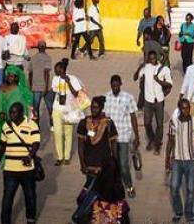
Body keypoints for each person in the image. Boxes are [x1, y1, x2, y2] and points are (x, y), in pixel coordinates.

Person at [77, 96, 129, 224]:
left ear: (101, 108)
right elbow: (80, 145)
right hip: (90, 167)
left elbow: (113, 145)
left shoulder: (108, 123)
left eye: (96, 107)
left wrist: (115, 164)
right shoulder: (84, 123)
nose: (93, 110)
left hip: (105, 168)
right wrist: (82, 163)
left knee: (104, 195)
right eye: (92, 107)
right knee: (89, 195)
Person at [0, 102, 39, 224]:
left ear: (21, 113)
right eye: (11, 112)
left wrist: (30, 156)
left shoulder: (31, 125)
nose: (12, 115)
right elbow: (2, 145)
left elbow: (36, 143)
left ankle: (30, 219)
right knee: (7, 198)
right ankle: (5, 221)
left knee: (30, 196)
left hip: (27, 170)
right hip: (10, 170)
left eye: (15, 112)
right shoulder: (6, 126)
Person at [166, 98, 194, 224]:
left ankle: (189, 214)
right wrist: (167, 158)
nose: (186, 110)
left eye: (187, 108)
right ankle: (178, 212)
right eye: (183, 108)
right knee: (173, 187)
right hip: (177, 160)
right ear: (179, 109)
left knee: (191, 189)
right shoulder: (173, 122)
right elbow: (171, 141)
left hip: (191, 161)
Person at [104, 75, 140, 198]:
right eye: (112, 85)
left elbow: (133, 117)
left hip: (123, 136)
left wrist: (137, 136)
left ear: (120, 84)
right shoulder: (107, 97)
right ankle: (115, 186)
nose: (114, 88)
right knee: (113, 164)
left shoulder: (128, 98)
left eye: (116, 85)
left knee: (124, 165)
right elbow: (105, 117)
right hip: (110, 138)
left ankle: (129, 186)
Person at [136, 50, 173, 155]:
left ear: (156, 58)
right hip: (148, 100)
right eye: (149, 59)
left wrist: (159, 81)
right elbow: (135, 77)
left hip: (159, 101)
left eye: (153, 58)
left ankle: (157, 145)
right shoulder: (146, 68)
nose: (151, 61)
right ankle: (152, 139)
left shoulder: (164, 69)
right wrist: (140, 67)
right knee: (147, 123)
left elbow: (169, 84)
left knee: (159, 124)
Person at [51, 59, 82, 165]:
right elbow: (55, 91)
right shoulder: (55, 79)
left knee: (68, 133)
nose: (55, 71)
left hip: (69, 110)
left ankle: (67, 156)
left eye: (57, 69)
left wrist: (68, 81)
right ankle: (60, 157)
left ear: (62, 69)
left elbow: (76, 94)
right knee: (57, 133)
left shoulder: (73, 79)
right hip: (57, 108)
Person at [0, 64, 33, 142]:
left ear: (16, 78)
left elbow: (29, 102)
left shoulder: (22, 90)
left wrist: (29, 113)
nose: (9, 78)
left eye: (11, 76)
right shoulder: (3, 88)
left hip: (19, 118)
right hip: (6, 117)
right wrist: (1, 112)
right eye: (8, 76)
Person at [29, 41, 54, 130]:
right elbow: (46, 72)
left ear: (38, 47)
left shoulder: (33, 58)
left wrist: (30, 85)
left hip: (35, 86)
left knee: (35, 108)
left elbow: (30, 73)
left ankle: (36, 125)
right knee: (50, 107)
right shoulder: (47, 58)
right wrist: (46, 87)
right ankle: (52, 124)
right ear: (45, 47)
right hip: (45, 87)